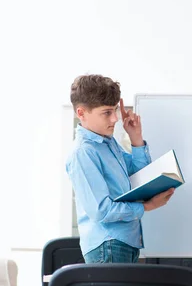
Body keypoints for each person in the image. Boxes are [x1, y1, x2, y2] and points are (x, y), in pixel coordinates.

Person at [66, 74, 174, 263]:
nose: (115, 118)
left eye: (115, 109)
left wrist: (136, 138)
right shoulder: (84, 152)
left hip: (125, 242)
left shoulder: (108, 144)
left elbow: (139, 177)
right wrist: (146, 206)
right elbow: (101, 210)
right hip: (108, 245)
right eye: (107, 112)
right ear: (81, 113)